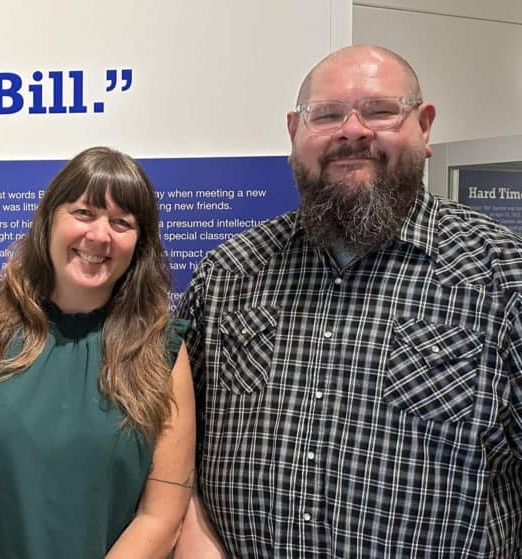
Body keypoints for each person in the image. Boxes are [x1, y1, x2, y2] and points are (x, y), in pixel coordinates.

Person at [176, 44, 522, 557]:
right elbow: (173, 458)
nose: (353, 130)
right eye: (328, 115)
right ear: (294, 133)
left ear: (424, 127)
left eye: (381, 111)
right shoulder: (228, 275)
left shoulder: (503, 276)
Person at [0, 146, 197, 558]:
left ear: (140, 244)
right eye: (83, 213)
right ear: (48, 220)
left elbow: (162, 516)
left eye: (122, 222)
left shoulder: (162, 352)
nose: (99, 236)